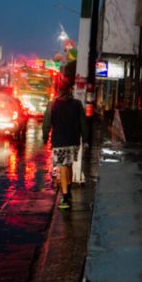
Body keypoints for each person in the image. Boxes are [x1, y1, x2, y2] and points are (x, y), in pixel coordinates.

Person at [42, 76, 89, 210]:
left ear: (57, 90)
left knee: (63, 167)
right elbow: (83, 124)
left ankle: (65, 197)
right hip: (74, 142)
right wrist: (85, 140)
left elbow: (46, 124)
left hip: (60, 141)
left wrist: (45, 138)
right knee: (67, 165)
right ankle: (67, 188)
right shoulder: (77, 104)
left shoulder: (52, 104)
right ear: (70, 90)